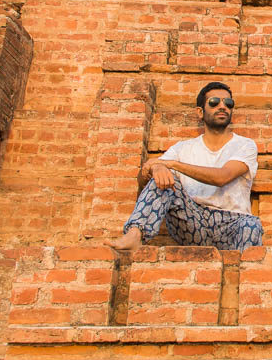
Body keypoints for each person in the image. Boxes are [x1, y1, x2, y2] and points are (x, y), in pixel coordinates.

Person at [106, 81, 262, 252]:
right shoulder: (183, 148)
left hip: (233, 224)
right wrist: (157, 168)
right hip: (193, 221)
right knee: (162, 178)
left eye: (228, 103)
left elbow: (222, 177)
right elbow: (143, 179)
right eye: (214, 102)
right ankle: (135, 235)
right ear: (200, 112)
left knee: (252, 224)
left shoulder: (245, 145)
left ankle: (246, 273)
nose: (222, 106)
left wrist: (170, 164)